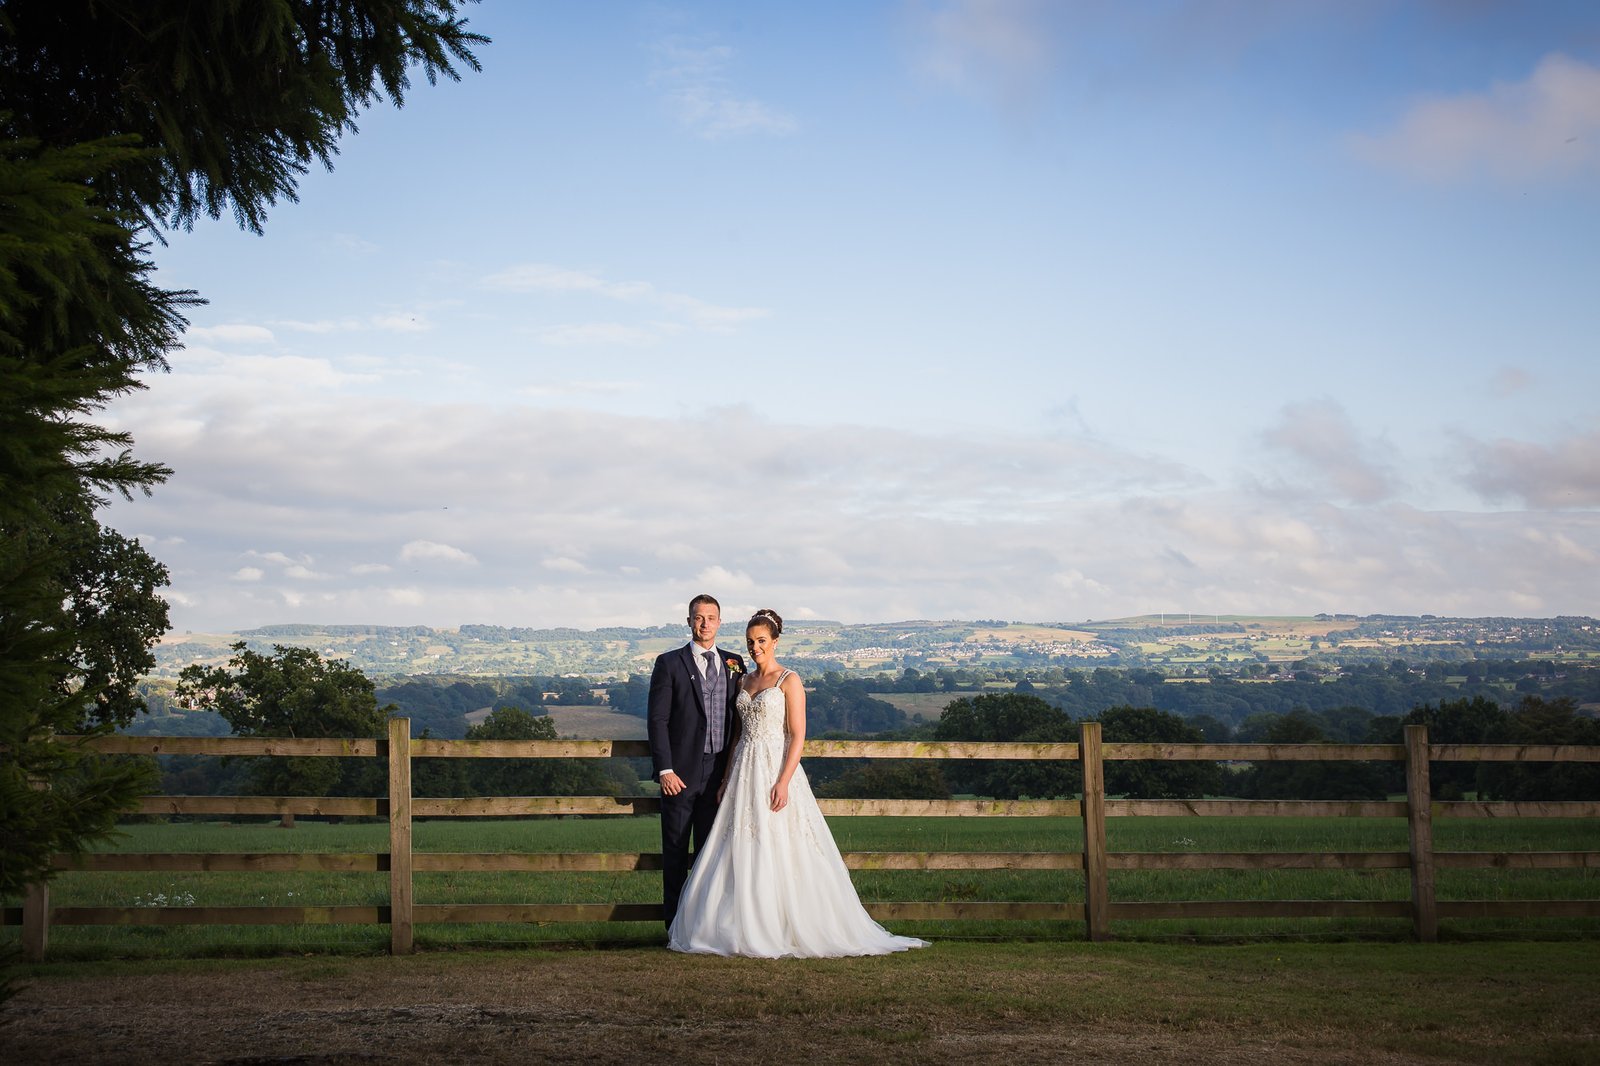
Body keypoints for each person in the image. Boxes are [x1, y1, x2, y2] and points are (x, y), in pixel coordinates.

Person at [668, 608, 928, 958]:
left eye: (761, 641)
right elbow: (736, 736)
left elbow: (798, 734)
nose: (755, 647)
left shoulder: (788, 679)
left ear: (775, 641)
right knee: (738, 844)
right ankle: (737, 923)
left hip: (774, 767)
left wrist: (784, 781)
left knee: (781, 844)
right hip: (744, 766)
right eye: (750, 642)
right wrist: (727, 776)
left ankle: (785, 922)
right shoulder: (742, 681)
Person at [648, 593, 745, 929]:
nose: (705, 624)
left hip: (720, 775)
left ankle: (705, 927)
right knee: (675, 852)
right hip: (680, 774)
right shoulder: (669, 663)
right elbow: (657, 720)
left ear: (720, 622)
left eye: (711, 617)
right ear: (688, 621)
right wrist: (665, 769)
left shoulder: (735, 663)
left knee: (710, 855)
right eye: (698, 617)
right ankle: (674, 928)